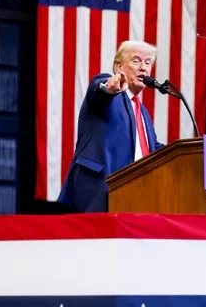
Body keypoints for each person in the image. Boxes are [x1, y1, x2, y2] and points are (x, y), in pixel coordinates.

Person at [58, 40, 164, 212]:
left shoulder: (142, 112)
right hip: (99, 191)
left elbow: (154, 149)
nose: (143, 68)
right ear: (119, 67)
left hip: (136, 196)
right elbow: (98, 92)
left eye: (147, 63)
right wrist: (110, 87)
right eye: (136, 61)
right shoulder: (108, 90)